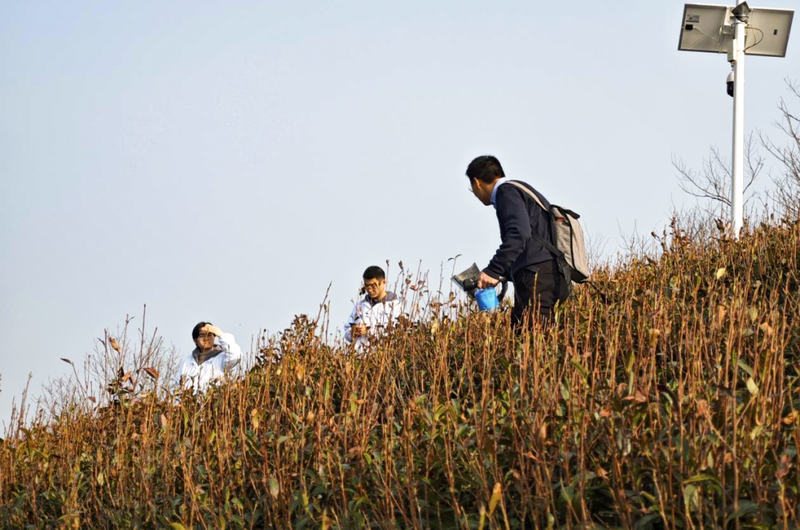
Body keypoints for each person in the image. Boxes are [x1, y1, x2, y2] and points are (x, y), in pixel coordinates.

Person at [466, 155, 568, 326]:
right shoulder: (520, 190)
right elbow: (530, 241)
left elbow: (519, 234)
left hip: (538, 276)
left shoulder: (506, 192)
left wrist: (493, 270)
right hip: (549, 273)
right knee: (525, 331)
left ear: (477, 183)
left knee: (535, 334)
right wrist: (501, 274)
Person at [344, 266, 405, 350]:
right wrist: (353, 331)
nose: (369, 289)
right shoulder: (359, 305)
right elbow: (347, 330)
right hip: (359, 355)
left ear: (383, 282)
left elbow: (399, 334)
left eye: (373, 285)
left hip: (383, 354)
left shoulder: (396, 306)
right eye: (367, 286)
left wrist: (368, 331)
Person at [175, 322, 242, 393]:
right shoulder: (187, 362)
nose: (206, 338)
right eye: (202, 335)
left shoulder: (222, 357)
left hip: (214, 399)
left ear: (215, 336)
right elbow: (177, 385)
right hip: (190, 399)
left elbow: (236, 356)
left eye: (209, 335)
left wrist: (221, 334)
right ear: (195, 340)